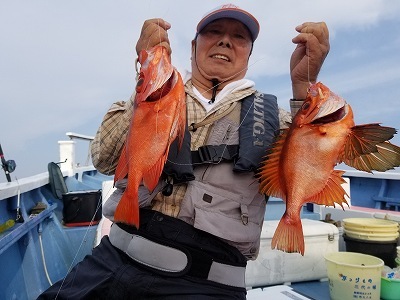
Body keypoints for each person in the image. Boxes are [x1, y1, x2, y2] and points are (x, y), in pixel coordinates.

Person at [38, 4, 329, 300]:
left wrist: (304, 87)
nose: (225, 40)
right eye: (214, 31)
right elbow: (104, 159)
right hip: (111, 261)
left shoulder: (279, 122)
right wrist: (146, 75)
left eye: (239, 37)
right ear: (193, 46)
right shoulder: (156, 91)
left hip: (205, 284)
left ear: (249, 54)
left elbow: (308, 175)